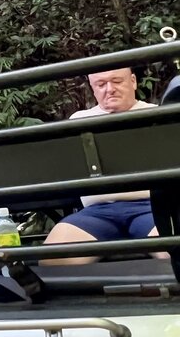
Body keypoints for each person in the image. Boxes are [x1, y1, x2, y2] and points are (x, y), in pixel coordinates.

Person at [42, 67, 165, 265]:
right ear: (93, 88)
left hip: (152, 206)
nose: (110, 89)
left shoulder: (158, 114)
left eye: (117, 81)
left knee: (174, 251)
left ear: (133, 81)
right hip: (97, 212)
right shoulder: (79, 120)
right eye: (101, 84)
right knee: (53, 261)